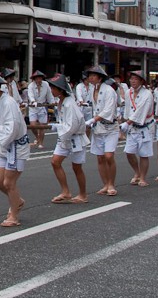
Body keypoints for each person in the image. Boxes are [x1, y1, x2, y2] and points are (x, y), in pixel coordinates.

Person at [0, 70, 29, 226]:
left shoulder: (8, 102)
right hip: (6, 143)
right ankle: (17, 200)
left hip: (16, 144)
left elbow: (12, 127)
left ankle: (14, 216)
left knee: (9, 182)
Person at [48, 73, 88, 203]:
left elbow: (73, 125)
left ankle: (83, 194)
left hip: (75, 137)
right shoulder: (61, 101)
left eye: (53, 88)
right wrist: (58, 126)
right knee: (55, 162)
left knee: (77, 167)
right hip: (65, 136)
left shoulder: (70, 103)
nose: (51, 90)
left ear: (60, 90)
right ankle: (65, 191)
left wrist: (59, 128)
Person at [83, 66, 119, 196]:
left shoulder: (109, 90)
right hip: (98, 127)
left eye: (93, 75)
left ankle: (111, 184)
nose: (91, 78)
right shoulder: (92, 89)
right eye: (89, 75)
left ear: (100, 77)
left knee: (109, 156)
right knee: (100, 158)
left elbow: (108, 110)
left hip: (110, 126)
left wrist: (93, 120)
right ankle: (105, 184)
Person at [121, 70, 154, 186]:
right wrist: (125, 122)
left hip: (144, 127)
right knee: (129, 152)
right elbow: (127, 109)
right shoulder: (128, 92)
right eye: (131, 79)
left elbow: (140, 111)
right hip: (132, 127)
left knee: (144, 154)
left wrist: (127, 123)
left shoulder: (147, 94)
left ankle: (143, 178)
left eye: (136, 79)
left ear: (141, 81)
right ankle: (137, 172)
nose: (133, 81)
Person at [26, 71, 53, 149]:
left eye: (40, 78)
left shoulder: (46, 84)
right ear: (34, 79)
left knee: (42, 126)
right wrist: (33, 101)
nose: (39, 80)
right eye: (37, 78)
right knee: (32, 125)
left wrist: (52, 102)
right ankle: (37, 137)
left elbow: (49, 94)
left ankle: (41, 142)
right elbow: (30, 95)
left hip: (42, 106)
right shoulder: (31, 86)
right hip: (33, 107)